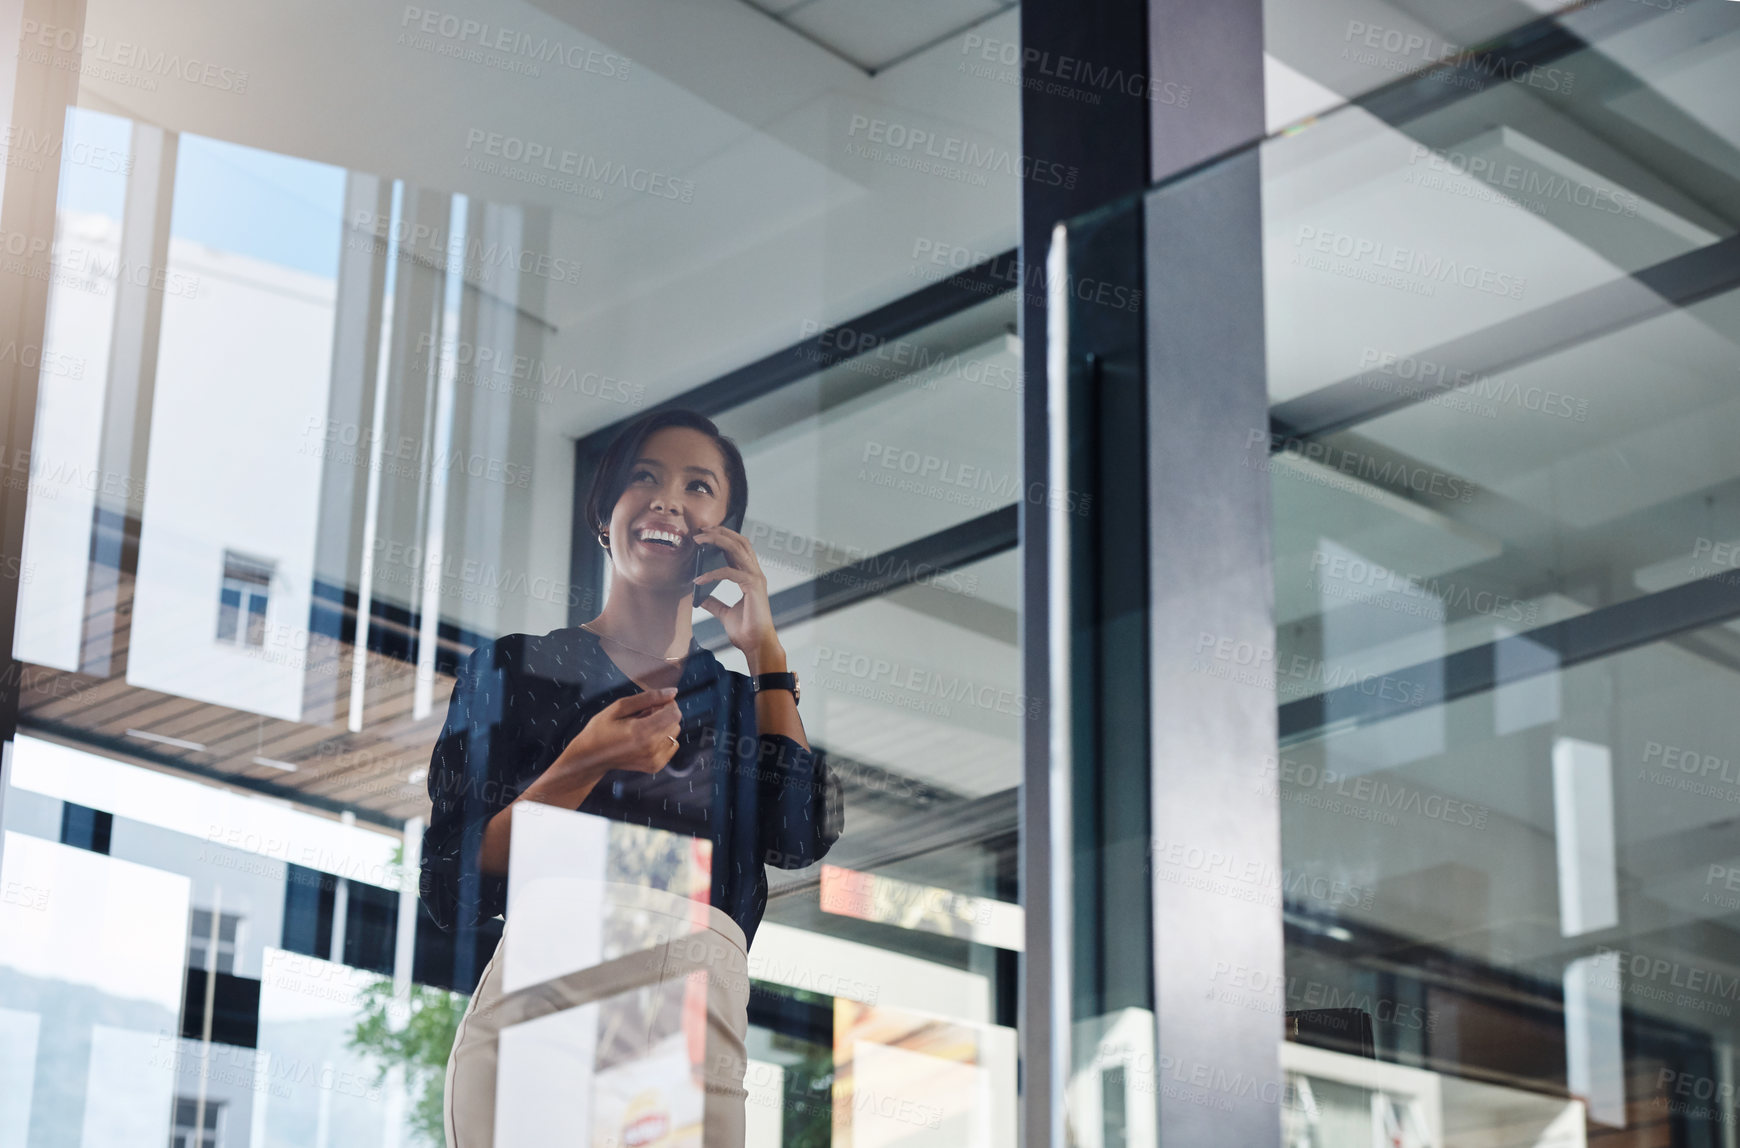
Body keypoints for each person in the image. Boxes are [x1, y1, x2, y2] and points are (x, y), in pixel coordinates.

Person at [419, 408, 841, 1147]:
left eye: (698, 487)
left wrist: (767, 653)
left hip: (694, 1034)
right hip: (541, 1024)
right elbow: (450, 880)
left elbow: (798, 836)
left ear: (725, 537)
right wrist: (585, 761)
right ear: (603, 515)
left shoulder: (746, 704)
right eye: (643, 477)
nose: (668, 499)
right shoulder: (517, 670)